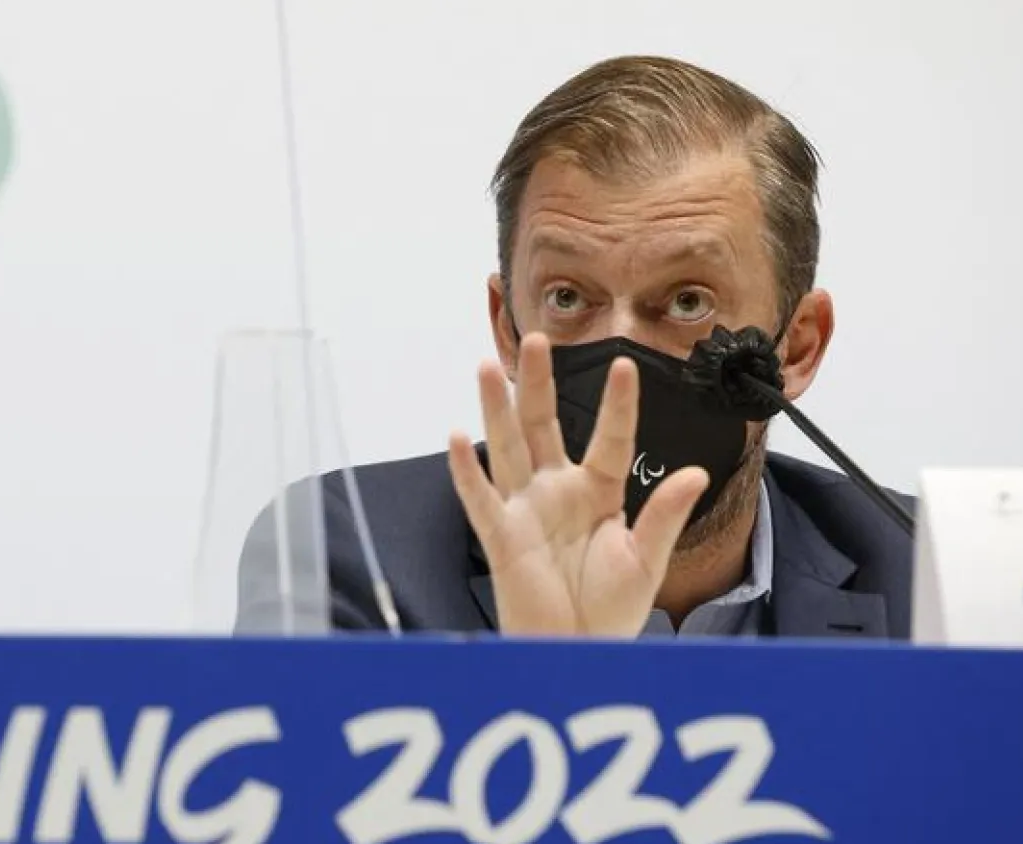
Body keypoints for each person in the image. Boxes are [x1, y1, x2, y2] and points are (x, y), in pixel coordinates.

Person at [236, 56, 913, 640]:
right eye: (567, 298)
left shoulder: (925, 569)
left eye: (686, 301)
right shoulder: (344, 553)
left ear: (795, 349)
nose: (620, 358)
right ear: (507, 327)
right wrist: (555, 666)